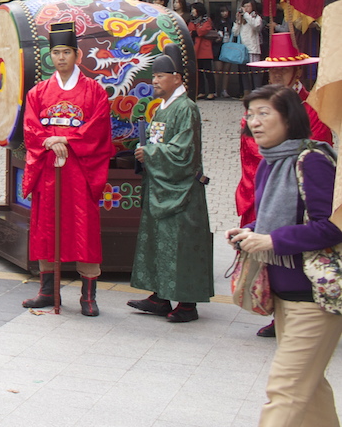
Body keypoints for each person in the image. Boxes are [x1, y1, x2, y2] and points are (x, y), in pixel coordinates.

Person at [229, 84, 342, 427]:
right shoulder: (271, 162)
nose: (254, 122)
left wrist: (271, 240)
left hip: (315, 299)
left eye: (264, 113)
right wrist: (249, 231)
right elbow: (272, 219)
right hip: (284, 297)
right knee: (310, 389)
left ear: (289, 118)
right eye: (251, 114)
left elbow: (331, 227)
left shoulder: (314, 160)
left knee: (286, 390)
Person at [235, 30, 332, 336]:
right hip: (260, 187)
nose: (255, 122)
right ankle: (275, 307)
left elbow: (328, 225)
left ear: (297, 72)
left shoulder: (312, 112)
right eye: (272, 71)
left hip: (297, 195)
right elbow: (250, 149)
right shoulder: (261, 112)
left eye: (283, 70)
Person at [20, 20, 113, 316]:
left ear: (77, 55)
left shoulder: (94, 91)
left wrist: (65, 139)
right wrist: (48, 141)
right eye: (56, 52)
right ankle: (48, 290)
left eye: (66, 52)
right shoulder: (38, 92)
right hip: (49, 172)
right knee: (46, 228)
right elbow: (30, 128)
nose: (61, 58)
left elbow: (98, 128)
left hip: (80, 173)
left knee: (84, 228)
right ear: (50, 56)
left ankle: (88, 296)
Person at [127, 53, 213, 322]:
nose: (154, 81)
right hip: (161, 186)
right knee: (159, 241)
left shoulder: (186, 108)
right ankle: (160, 297)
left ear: (177, 78)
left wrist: (150, 153)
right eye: (153, 76)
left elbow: (183, 151)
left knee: (181, 244)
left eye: (160, 76)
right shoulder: (162, 108)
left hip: (182, 189)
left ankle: (187, 304)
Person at [189, 2, 215, 100]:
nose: (192, 11)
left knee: (208, 72)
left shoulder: (206, 19)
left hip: (205, 49)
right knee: (198, 73)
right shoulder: (192, 20)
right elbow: (190, 30)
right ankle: (201, 91)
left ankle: (212, 91)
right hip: (196, 48)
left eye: (194, 9)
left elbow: (204, 30)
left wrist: (196, 32)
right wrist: (196, 31)